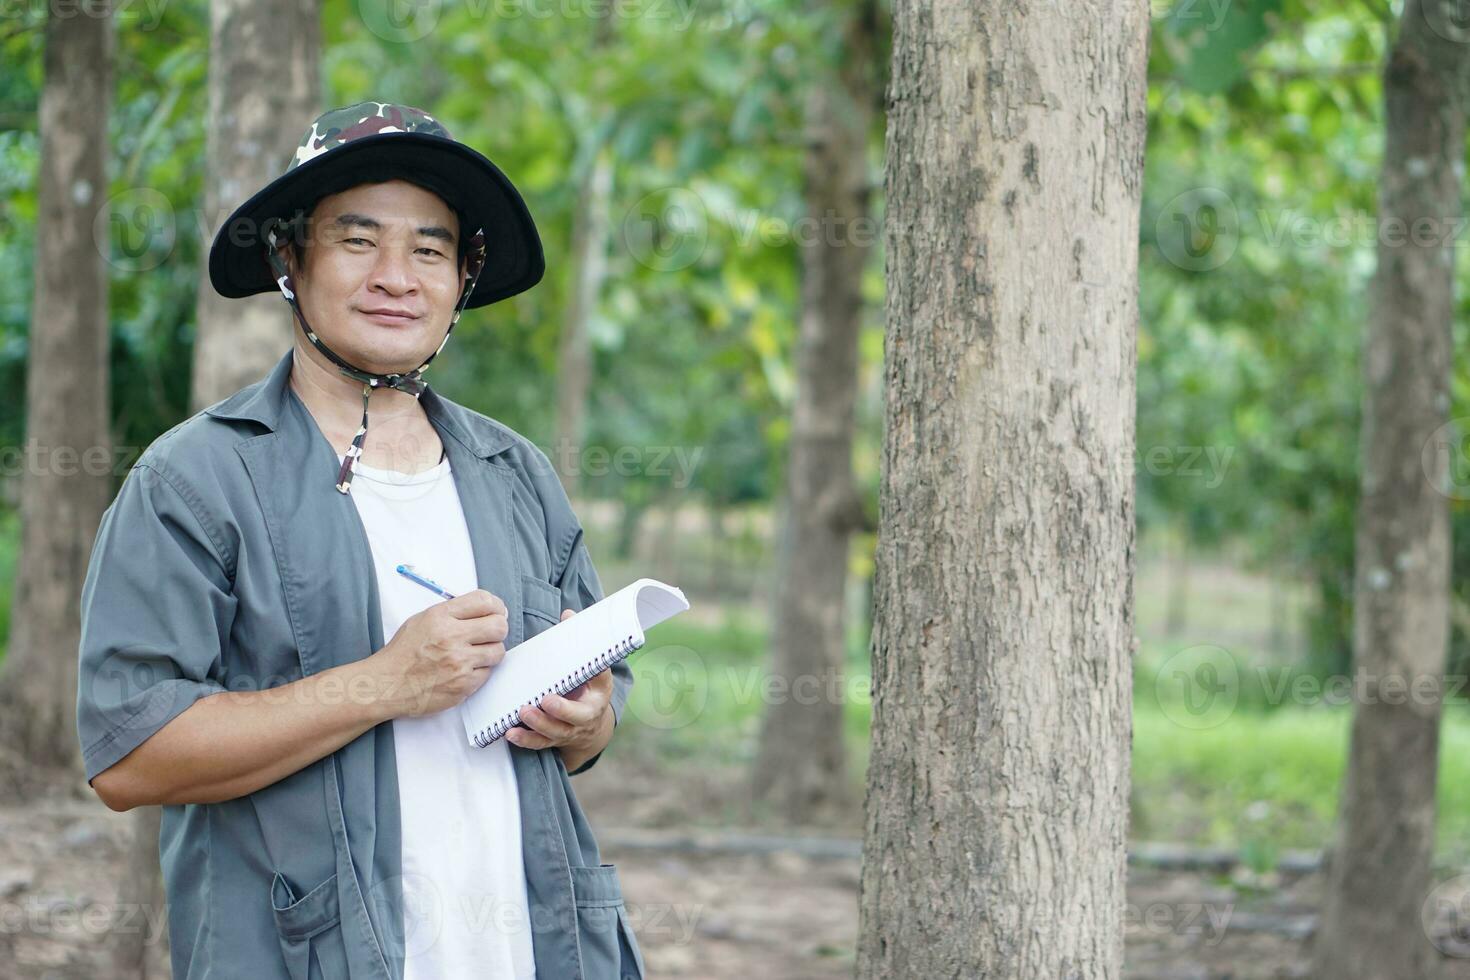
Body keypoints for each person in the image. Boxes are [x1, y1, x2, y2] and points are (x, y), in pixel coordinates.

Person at [75, 102, 645, 980]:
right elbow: (128, 754)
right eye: (356, 240)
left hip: (530, 951)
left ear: (463, 277)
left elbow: (593, 725)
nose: (396, 276)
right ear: (290, 261)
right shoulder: (195, 480)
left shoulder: (515, 472)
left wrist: (587, 715)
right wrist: (385, 683)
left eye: (429, 249)